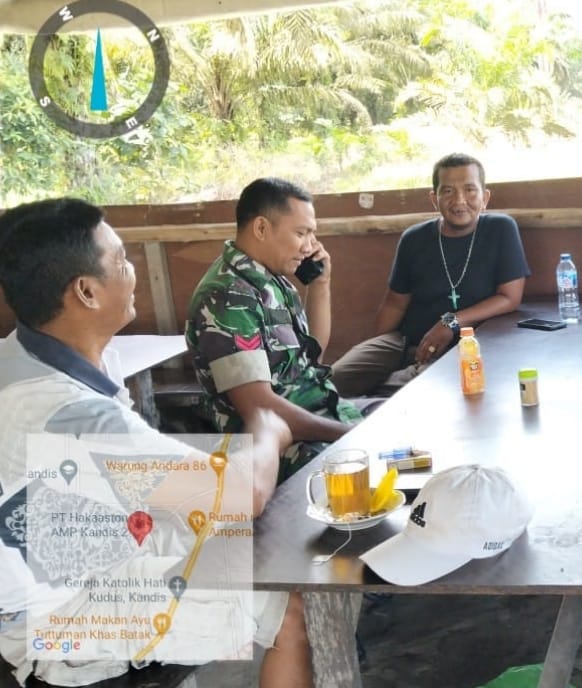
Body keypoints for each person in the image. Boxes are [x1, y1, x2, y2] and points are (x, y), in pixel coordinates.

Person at [0, 198, 312, 687]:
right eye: (122, 260)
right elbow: (242, 495)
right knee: (287, 605)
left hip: (76, 547)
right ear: (86, 291)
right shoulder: (67, 411)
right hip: (60, 612)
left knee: (235, 538)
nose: (132, 273)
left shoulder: (23, 357)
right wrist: (268, 430)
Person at [186, 178, 360, 479]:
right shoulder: (227, 296)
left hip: (316, 413)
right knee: (363, 468)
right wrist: (347, 433)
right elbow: (260, 409)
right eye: (301, 233)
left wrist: (321, 284)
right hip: (278, 445)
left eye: (312, 234)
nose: (310, 246)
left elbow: (311, 357)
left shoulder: (271, 278)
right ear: (261, 228)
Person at [331, 153, 530, 396]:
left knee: (407, 392)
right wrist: (372, 350)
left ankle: (385, 391)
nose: (459, 200)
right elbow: (395, 303)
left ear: (485, 197)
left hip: (462, 345)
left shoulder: (500, 229)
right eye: (447, 191)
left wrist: (449, 323)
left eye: (470, 190)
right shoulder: (414, 238)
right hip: (404, 341)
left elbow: (510, 297)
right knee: (334, 380)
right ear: (434, 199)